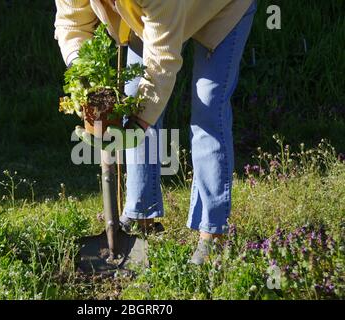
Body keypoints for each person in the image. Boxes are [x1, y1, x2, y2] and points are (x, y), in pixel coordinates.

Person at [54, 0, 257, 264]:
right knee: (132, 96)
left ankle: (212, 234)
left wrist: (138, 123)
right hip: (157, 14)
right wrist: (85, 80)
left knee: (207, 109)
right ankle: (140, 215)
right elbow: (72, 23)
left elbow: (162, 62)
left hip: (221, 8)